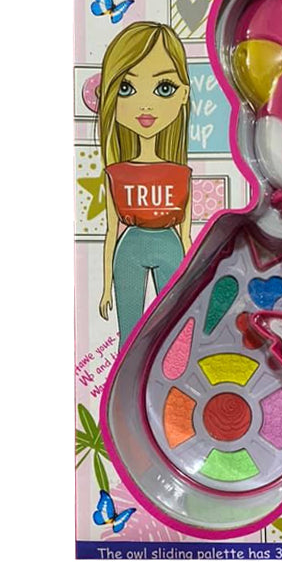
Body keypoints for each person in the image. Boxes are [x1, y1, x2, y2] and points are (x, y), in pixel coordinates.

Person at [97, 21, 192, 345]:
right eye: (126, 87)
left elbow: (187, 235)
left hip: (170, 244)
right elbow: (111, 232)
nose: (146, 105)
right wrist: (105, 286)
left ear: (183, 94)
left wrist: (196, 279)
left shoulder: (181, 173)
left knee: (177, 330)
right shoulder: (116, 172)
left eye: (164, 87)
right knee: (129, 333)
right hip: (130, 246)